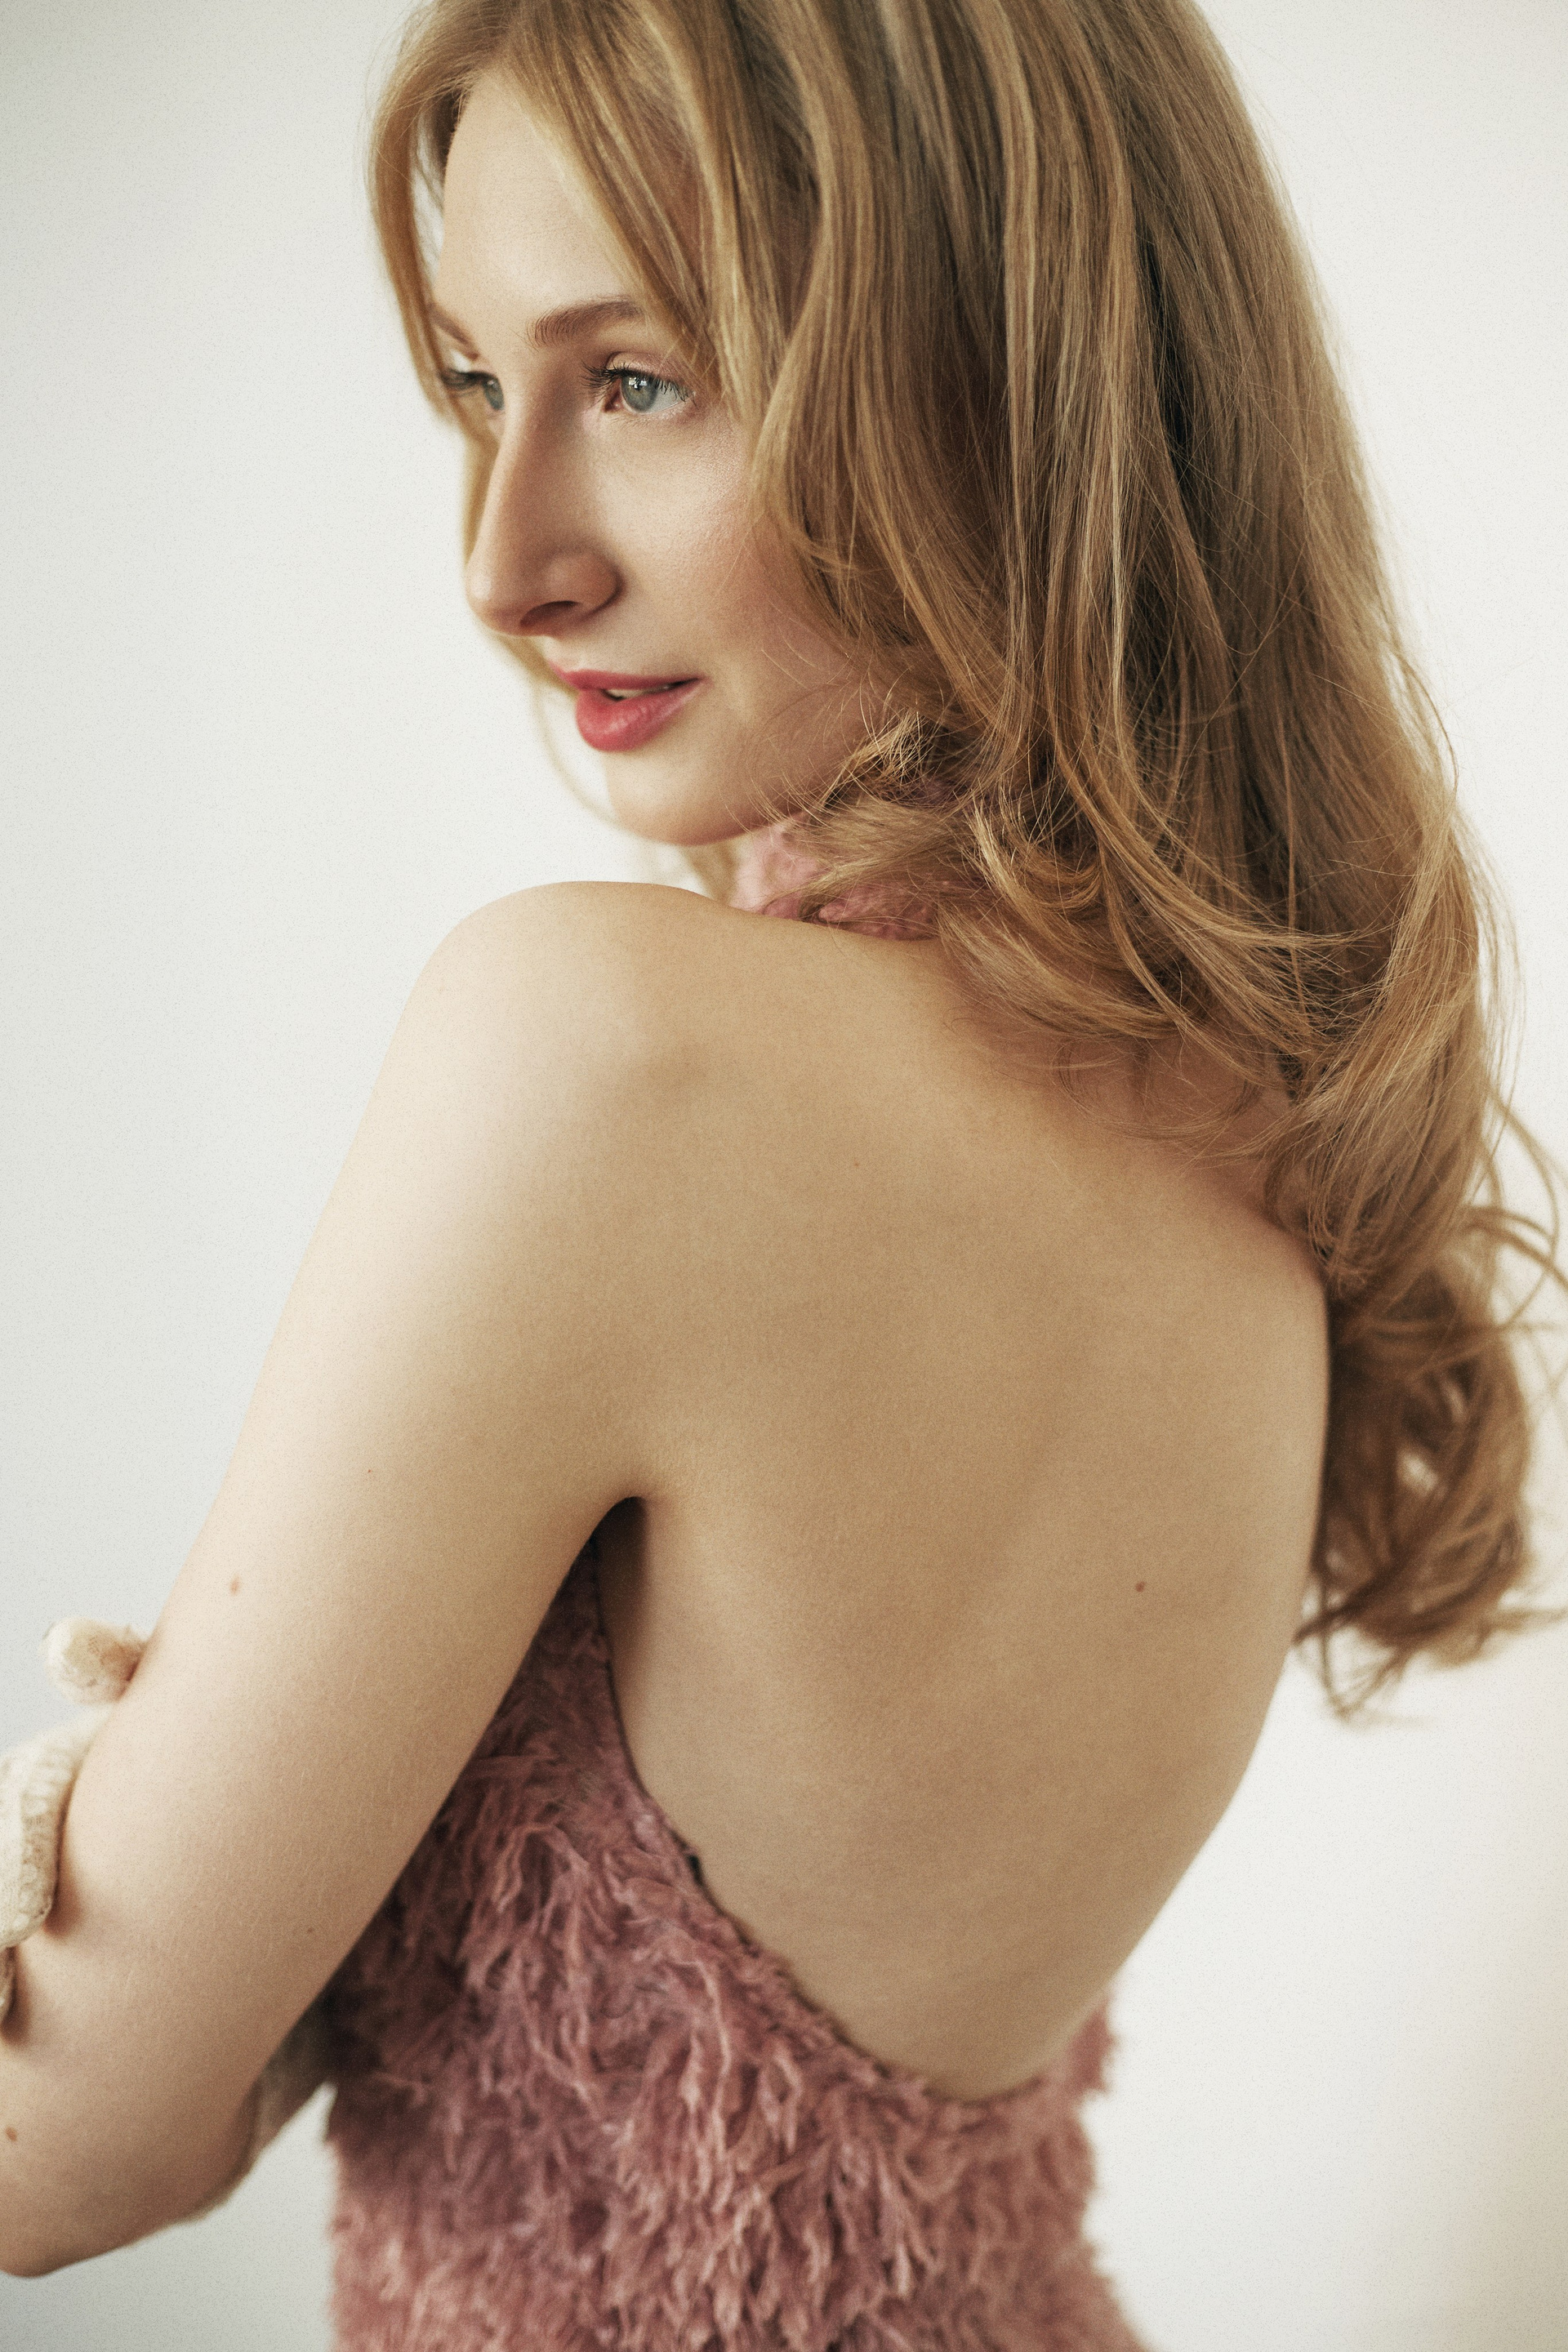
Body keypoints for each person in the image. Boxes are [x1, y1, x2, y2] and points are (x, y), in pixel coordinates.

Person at [1, 0, 1560, 2343]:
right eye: (478, 384)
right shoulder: (1266, 1135)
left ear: (989, 372)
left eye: (639, 380)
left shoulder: (609, 1059)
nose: (505, 560)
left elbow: (66, 2143)